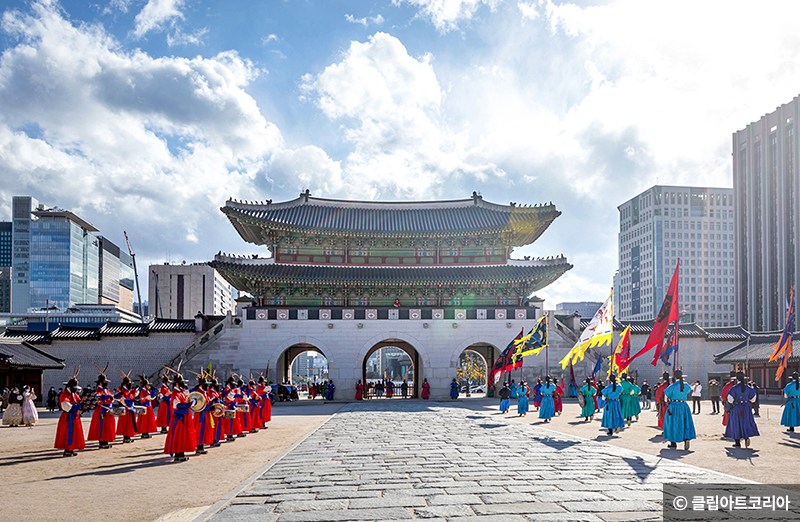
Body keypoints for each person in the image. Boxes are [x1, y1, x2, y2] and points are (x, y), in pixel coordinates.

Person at [164, 372, 197, 462]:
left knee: (182, 436)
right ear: (177, 384)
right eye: (181, 382)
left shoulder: (180, 392)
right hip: (179, 418)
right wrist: (189, 404)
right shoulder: (175, 393)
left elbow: (187, 395)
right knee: (178, 436)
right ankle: (178, 454)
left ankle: (180, 453)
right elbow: (177, 405)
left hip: (184, 416)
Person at [724, 371, 759, 448]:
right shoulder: (749, 388)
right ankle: (746, 437)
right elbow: (753, 400)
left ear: (736, 379)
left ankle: (737, 442)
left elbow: (730, 400)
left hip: (736, 407)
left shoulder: (734, 388)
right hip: (746, 407)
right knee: (746, 422)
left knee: (736, 423)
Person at [663, 370, 696, 450]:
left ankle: (673, 443)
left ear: (675, 377)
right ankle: (686, 439)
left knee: (672, 423)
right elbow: (688, 390)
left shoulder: (672, 386)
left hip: (674, 406)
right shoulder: (686, 385)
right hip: (684, 405)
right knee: (685, 423)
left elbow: (665, 397)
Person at [54, 374, 85, 457]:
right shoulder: (64, 394)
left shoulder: (74, 394)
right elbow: (67, 407)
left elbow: (79, 401)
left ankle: (71, 448)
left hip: (74, 416)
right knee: (67, 433)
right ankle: (67, 449)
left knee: (74, 433)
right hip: (67, 416)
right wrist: (79, 406)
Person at [87, 368, 116, 449]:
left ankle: (105, 440)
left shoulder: (106, 390)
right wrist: (105, 397)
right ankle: (102, 441)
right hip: (101, 411)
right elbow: (97, 397)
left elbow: (111, 397)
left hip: (108, 410)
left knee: (107, 426)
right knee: (102, 425)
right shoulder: (98, 390)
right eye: (104, 382)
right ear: (100, 382)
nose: (106, 383)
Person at [115, 372, 138, 443]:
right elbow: (123, 401)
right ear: (125, 384)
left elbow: (134, 395)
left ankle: (128, 436)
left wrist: (135, 391)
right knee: (126, 424)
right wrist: (131, 400)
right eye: (128, 383)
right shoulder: (123, 391)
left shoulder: (128, 391)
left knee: (129, 424)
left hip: (130, 409)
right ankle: (126, 437)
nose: (130, 384)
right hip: (126, 409)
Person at [137, 375, 158, 439]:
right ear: (144, 385)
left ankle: (146, 432)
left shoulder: (146, 391)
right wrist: (153, 392)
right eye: (147, 385)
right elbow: (149, 397)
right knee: (144, 421)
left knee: (147, 421)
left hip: (148, 407)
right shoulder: (144, 391)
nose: (148, 386)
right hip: (145, 407)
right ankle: (144, 432)